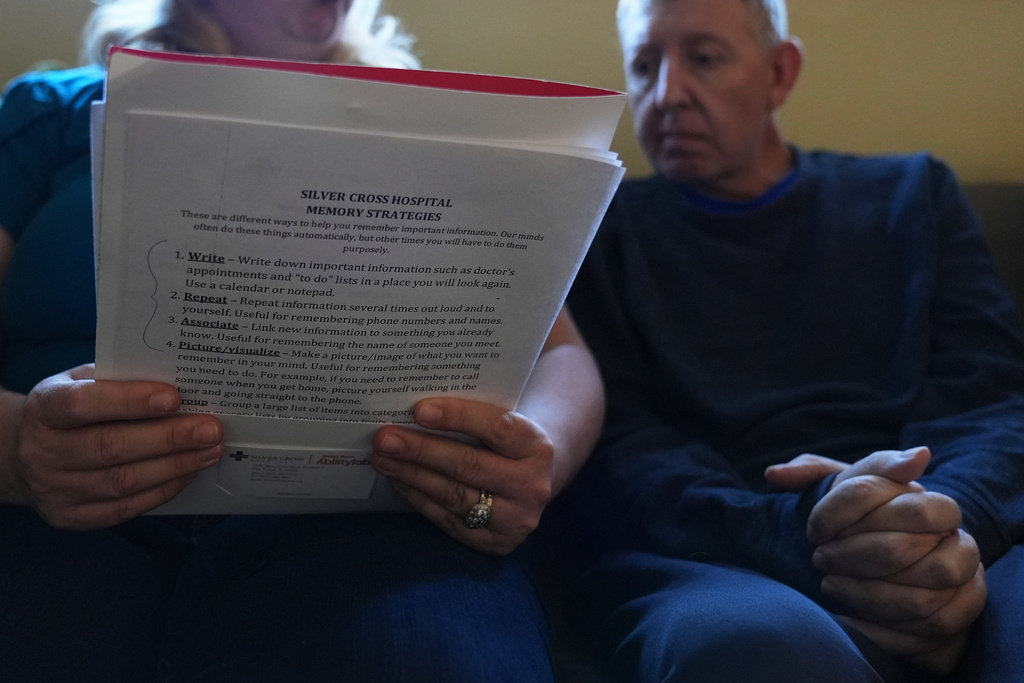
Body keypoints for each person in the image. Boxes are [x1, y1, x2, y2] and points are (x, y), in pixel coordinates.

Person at [0, 1, 604, 680]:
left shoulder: (438, 125)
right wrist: (21, 448)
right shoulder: (52, 111)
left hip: (371, 514)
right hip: (55, 509)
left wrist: (530, 465)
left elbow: (562, 354)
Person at [540, 0, 1024, 681]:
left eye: (704, 59)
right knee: (750, 645)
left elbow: (993, 400)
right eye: (644, 66)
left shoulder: (915, 196)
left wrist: (938, 526)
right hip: (715, 556)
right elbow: (621, 456)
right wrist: (802, 527)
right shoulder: (597, 231)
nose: (668, 94)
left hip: (946, 521)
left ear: (779, 73)